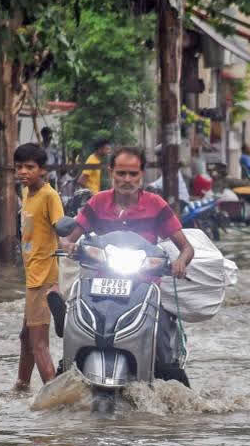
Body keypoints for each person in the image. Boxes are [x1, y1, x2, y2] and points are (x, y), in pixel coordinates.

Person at [61, 146, 195, 377]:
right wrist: (69, 247)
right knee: (73, 335)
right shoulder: (97, 203)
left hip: (144, 287)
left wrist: (180, 261)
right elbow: (68, 237)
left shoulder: (156, 205)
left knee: (163, 350)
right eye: (121, 173)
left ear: (142, 174)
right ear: (110, 171)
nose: (127, 179)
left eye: (133, 174)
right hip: (98, 288)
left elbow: (186, 247)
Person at [14, 143, 65, 390]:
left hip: (44, 278)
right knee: (26, 338)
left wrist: (69, 246)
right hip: (31, 276)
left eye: (30, 167)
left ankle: (53, 397)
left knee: (39, 344)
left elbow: (61, 228)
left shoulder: (49, 196)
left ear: (42, 170)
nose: (24, 172)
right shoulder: (26, 193)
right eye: (19, 167)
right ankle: (22, 385)